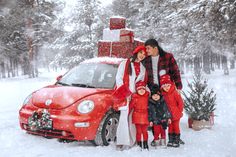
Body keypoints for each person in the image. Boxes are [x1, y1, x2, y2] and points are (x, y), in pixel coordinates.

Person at [113, 45, 147, 150]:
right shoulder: (125, 63)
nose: (142, 55)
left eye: (144, 54)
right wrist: (126, 93)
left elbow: (141, 83)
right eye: (141, 53)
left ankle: (132, 141)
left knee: (133, 119)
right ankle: (121, 141)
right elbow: (119, 78)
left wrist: (139, 94)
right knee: (124, 118)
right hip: (125, 95)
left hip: (136, 97)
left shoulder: (142, 68)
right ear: (136, 52)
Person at [159, 71, 184, 147]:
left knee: (176, 127)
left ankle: (176, 140)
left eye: (168, 86)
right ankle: (171, 140)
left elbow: (180, 102)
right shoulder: (162, 94)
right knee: (170, 127)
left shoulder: (174, 92)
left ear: (170, 85)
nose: (166, 88)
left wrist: (179, 111)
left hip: (176, 113)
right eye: (164, 86)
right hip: (168, 115)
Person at [129, 81, 149, 150]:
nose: (141, 91)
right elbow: (131, 106)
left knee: (145, 131)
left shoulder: (147, 97)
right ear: (137, 90)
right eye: (140, 89)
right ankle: (139, 143)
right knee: (139, 132)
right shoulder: (135, 97)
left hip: (145, 116)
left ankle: (145, 144)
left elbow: (150, 106)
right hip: (137, 116)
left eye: (143, 89)